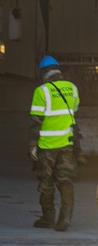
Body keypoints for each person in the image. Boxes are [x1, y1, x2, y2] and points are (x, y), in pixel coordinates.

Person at [30, 55, 81, 231]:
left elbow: (36, 121)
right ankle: (65, 217)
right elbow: (74, 112)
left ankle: (47, 218)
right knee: (65, 180)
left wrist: (32, 146)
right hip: (67, 143)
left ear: (43, 73)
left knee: (46, 182)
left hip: (47, 145)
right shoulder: (72, 88)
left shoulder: (41, 91)